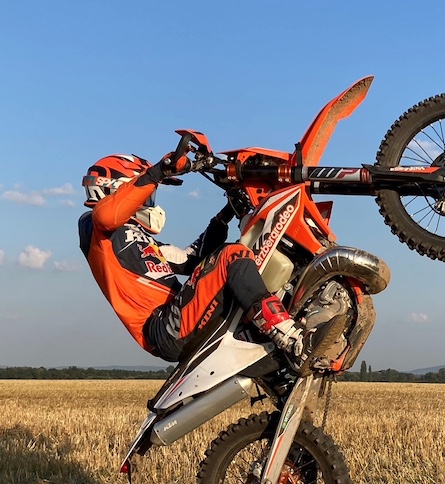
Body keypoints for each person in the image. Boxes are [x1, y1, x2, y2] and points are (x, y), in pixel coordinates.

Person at [78, 151, 306, 365]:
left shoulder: (143, 242)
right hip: (161, 328)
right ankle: (288, 335)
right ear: (114, 189)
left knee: (243, 262)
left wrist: (224, 216)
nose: (148, 202)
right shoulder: (95, 230)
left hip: (176, 316)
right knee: (231, 254)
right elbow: (106, 216)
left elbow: (192, 259)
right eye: (146, 195)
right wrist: (158, 172)